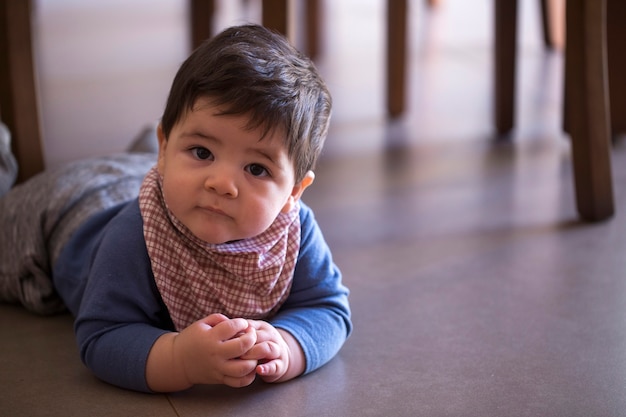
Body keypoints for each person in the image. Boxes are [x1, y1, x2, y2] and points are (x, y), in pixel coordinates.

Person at [0, 24, 352, 393]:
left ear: (295, 191)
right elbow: (102, 336)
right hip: (67, 210)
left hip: (139, 176)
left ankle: (151, 155)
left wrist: (288, 344)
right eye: (202, 152)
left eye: (256, 169)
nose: (222, 183)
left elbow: (329, 309)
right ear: (164, 148)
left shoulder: (295, 233)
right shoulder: (136, 233)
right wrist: (179, 357)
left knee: (155, 174)